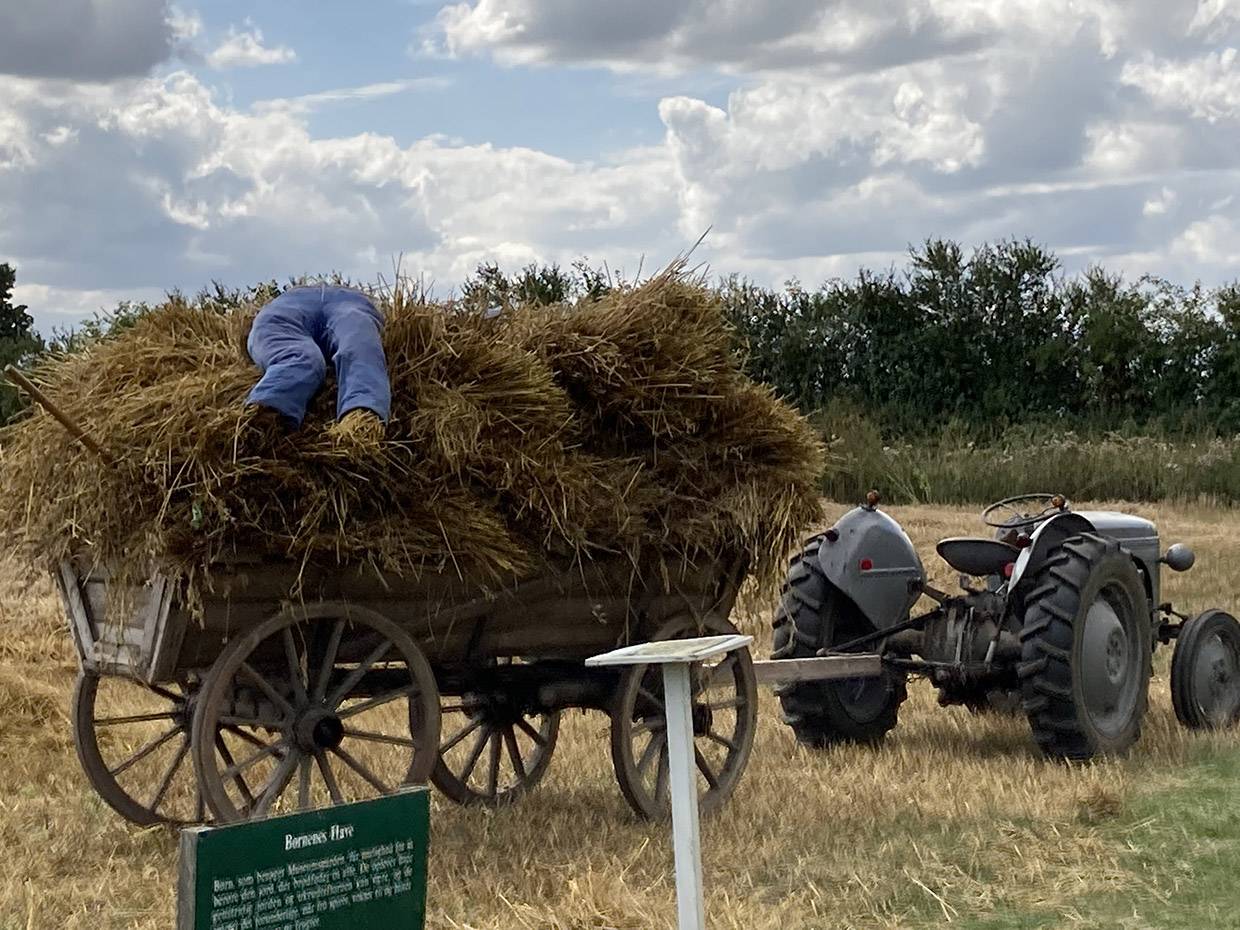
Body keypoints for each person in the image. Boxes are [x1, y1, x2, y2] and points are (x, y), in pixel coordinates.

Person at [245, 284, 390, 444]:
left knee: (304, 358)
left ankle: (360, 423)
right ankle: (264, 418)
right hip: (297, 304)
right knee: (358, 349)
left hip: (347, 301)